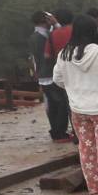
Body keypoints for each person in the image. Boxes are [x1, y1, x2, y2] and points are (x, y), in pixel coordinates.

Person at [54, 14, 98, 195]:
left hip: (78, 110)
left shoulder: (64, 54)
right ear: (93, 30)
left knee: (86, 149)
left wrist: (74, 88)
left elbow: (57, 79)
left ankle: (95, 189)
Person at [30, 10, 72, 142]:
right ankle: (59, 133)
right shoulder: (44, 37)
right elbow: (47, 56)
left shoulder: (35, 36)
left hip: (43, 76)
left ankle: (56, 132)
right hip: (50, 74)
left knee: (54, 105)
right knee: (62, 105)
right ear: (45, 21)